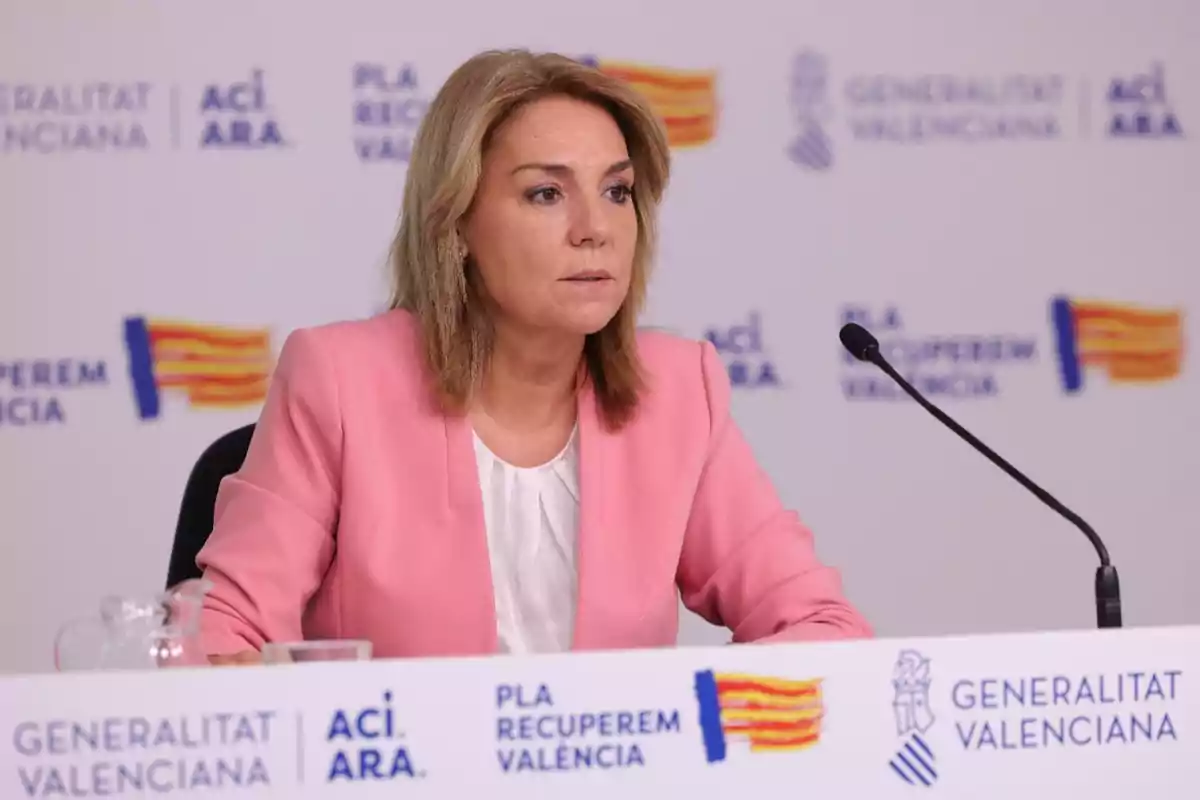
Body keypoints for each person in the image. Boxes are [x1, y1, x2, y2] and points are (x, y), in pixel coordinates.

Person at [197, 49, 871, 665]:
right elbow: (221, 644)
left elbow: (824, 628)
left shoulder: (677, 393)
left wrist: (680, 719)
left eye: (617, 191)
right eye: (546, 194)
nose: (595, 229)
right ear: (457, 222)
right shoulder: (340, 382)